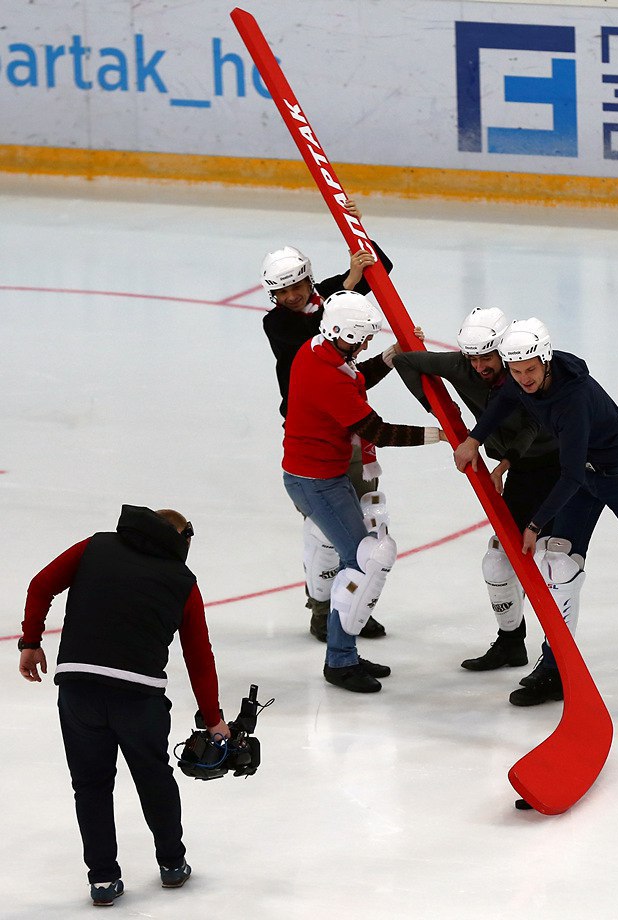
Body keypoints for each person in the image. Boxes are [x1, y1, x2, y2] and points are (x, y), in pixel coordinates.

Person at [454, 319, 618, 711]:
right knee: (558, 565)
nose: (523, 378)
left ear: (545, 360)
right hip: (584, 476)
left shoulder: (572, 397)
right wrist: (474, 439)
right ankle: (557, 665)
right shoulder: (520, 373)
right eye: (516, 370)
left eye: (530, 370)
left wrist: (534, 523)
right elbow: (506, 400)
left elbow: (570, 473)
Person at [17, 505, 229, 907]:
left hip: (79, 689)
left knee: (91, 785)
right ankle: (171, 863)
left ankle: (102, 880)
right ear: (182, 540)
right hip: (138, 697)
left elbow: (40, 584)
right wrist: (214, 719)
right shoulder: (182, 581)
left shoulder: (94, 547)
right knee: (154, 778)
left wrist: (31, 641)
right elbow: (198, 655)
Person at [283, 290, 447, 693]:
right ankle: (340, 660)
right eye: (362, 337)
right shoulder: (326, 375)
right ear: (341, 332)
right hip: (318, 482)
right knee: (364, 560)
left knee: (357, 559)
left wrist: (393, 355)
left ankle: (345, 652)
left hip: (319, 475)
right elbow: (378, 431)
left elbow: (357, 376)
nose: (366, 343)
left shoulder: (319, 350)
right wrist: (443, 434)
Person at [393, 307, 561, 671]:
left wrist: (505, 461)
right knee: (498, 562)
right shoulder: (462, 366)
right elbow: (407, 363)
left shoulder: (524, 371)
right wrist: (445, 414)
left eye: (488, 356)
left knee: (558, 566)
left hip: (555, 467)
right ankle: (511, 643)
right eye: (474, 357)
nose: (481, 365)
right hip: (518, 470)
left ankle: (557, 660)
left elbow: (533, 423)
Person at [261, 200, 394, 643]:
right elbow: (317, 340)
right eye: (282, 292)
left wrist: (355, 223)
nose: (292, 296)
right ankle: (323, 610)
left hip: (348, 422)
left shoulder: (334, 296)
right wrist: (350, 284)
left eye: (296, 285)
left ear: (307, 278)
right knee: (325, 531)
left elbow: (381, 268)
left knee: (367, 519)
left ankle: (352, 606)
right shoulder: (279, 325)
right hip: (312, 435)